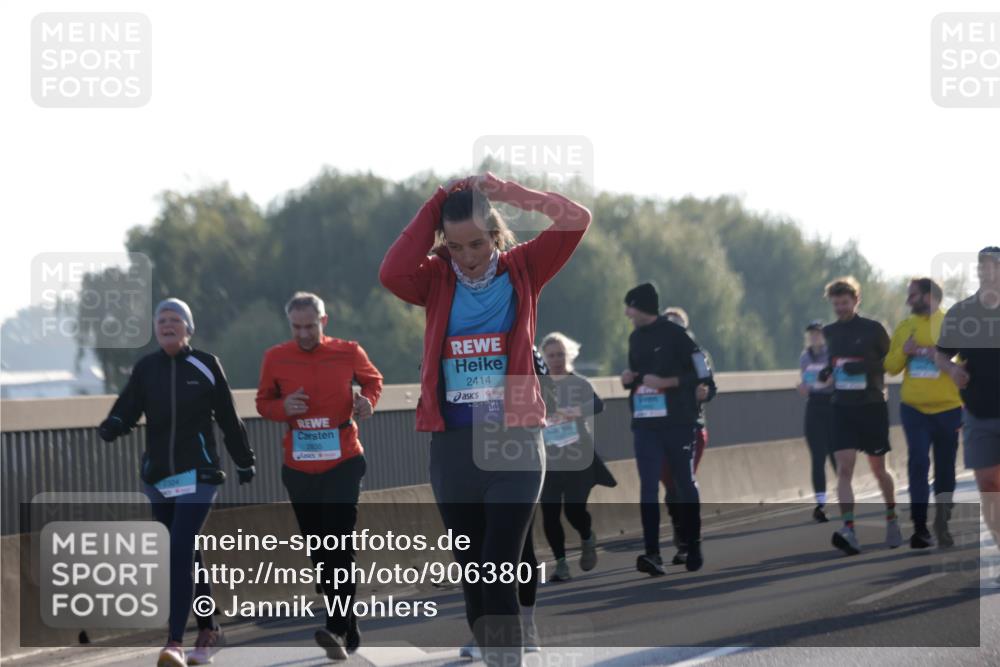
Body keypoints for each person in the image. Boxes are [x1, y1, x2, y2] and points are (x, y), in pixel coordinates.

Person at [379, 171, 590, 666]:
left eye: (477, 243)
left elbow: (576, 219)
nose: (468, 257)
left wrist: (505, 192)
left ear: (496, 236)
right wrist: (438, 201)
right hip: (453, 448)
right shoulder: (433, 279)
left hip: (514, 440)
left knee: (496, 570)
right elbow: (391, 272)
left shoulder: (525, 269)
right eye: (455, 247)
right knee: (475, 576)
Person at [98, 298, 256, 667]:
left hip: (199, 473)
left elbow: (230, 419)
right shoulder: (146, 368)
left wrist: (244, 461)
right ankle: (209, 630)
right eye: (161, 320)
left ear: (188, 328)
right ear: (155, 328)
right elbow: (128, 406)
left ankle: (174, 642)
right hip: (159, 477)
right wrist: (115, 425)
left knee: (179, 549)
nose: (167, 325)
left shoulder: (205, 364)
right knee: (186, 553)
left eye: (175, 319)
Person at [255, 292, 383, 661]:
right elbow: (263, 403)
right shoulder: (275, 357)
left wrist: (366, 402)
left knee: (338, 543)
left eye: (310, 326)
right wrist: (283, 407)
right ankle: (346, 617)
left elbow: (373, 382)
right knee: (319, 549)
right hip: (299, 466)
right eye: (297, 327)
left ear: (323, 322)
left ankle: (337, 625)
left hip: (343, 459)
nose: (304, 333)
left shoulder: (348, 351)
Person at [622, 283, 708, 576]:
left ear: (642, 306)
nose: (626, 313)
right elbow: (638, 374)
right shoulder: (635, 338)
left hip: (678, 422)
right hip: (645, 424)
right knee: (647, 487)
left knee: (684, 483)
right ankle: (652, 554)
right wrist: (629, 378)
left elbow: (702, 374)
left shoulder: (676, 335)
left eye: (629, 306)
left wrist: (668, 383)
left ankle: (693, 544)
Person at [819, 277, 901, 555]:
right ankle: (849, 530)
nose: (841, 308)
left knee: (879, 469)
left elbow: (893, 365)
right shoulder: (828, 332)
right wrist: (827, 373)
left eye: (845, 303)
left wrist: (865, 367)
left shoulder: (873, 329)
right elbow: (830, 362)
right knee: (844, 469)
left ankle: (892, 518)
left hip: (871, 405)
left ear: (856, 301)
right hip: (841, 407)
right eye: (836, 304)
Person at [884, 278, 963, 548]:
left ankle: (942, 523)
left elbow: (966, 366)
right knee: (917, 463)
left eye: (913, 296)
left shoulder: (950, 325)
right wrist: (904, 352)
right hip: (914, 409)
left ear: (929, 296)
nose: (908, 301)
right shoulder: (906, 327)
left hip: (948, 410)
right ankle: (919, 529)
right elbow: (890, 366)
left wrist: (941, 359)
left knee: (945, 470)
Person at [936, 247, 1000, 570]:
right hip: (978, 409)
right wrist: (952, 371)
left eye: (994, 267)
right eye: (983, 268)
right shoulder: (961, 313)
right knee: (988, 484)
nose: (988, 273)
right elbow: (940, 354)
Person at [538, 332, 615, 581]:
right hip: (548, 460)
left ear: (567, 355)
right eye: (551, 355)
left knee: (573, 510)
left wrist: (575, 411)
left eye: (560, 354)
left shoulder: (579, 383)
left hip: (577, 458)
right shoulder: (536, 385)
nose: (556, 359)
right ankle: (561, 564)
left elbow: (599, 405)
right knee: (549, 514)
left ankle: (586, 536)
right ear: (543, 357)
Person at [660, 307, 716, 565]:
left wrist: (705, 393)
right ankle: (679, 531)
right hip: (659, 429)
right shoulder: (653, 355)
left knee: (684, 483)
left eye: (678, 326)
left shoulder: (698, 354)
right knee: (671, 488)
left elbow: (711, 386)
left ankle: (688, 541)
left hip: (692, 425)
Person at [797, 320, 837, 523]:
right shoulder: (805, 357)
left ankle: (846, 497)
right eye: (811, 333)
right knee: (817, 457)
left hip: (831, 405)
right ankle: (820, 504)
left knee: (835, 455)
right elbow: (807, 381)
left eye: (818, 333)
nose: (814, 337)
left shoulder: (831, 354)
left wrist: (831, 380)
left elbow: (836, 377)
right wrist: (803, 387)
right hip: (814, 406)